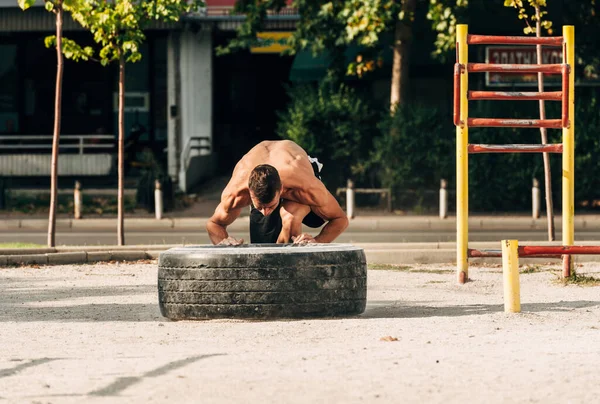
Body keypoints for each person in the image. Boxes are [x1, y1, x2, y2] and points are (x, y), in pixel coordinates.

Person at [206, 140, 348, 245]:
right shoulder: (235, 193)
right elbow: (213, 224)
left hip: (296, 169)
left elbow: (340, 219)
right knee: (263, 249)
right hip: (260, 168)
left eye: (270, 206)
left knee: (291, 216)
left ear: (281, 190)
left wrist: (316, 242)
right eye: (259, 207)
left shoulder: (306, 187)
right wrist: (223, 243)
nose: (265, 212)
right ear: (250, 193)